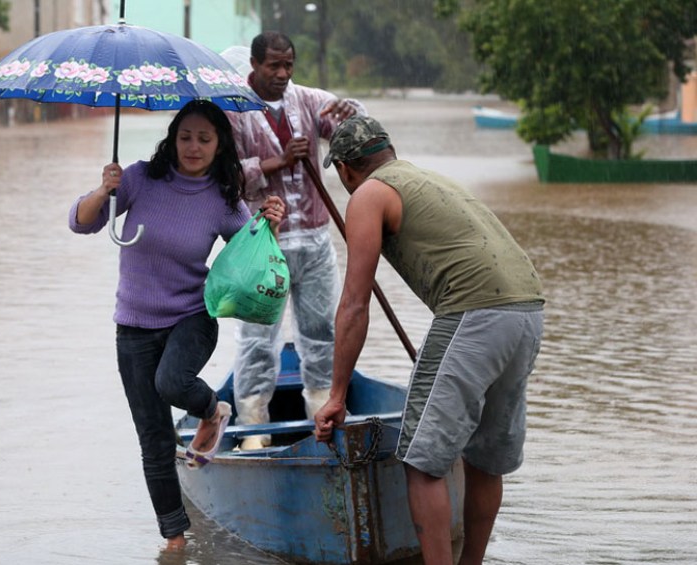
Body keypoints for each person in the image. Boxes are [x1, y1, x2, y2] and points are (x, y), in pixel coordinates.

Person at [313, 115, 545, 565]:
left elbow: (355, 304)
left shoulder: (368, 194)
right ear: (389, 152)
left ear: (344, 169)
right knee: (485, 460)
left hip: (474, 313)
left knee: (422, 461)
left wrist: (337, 395)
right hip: (527, 312)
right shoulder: (427, 180)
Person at [68, 100, 286, 551]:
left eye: (204, 139)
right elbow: (80, 223)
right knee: (153, 439)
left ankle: (212, 410)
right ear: (172, 138)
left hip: (192, 318)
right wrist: (104, 190)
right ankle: (175, 542)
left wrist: (271, 228)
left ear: (219, 145)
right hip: (133, 328)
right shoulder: (138, 178)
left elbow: (254, 262)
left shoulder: (223, 198)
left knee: (171, 382)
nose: (193, 147)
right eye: (185, 137)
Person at [224, 32, 366, 450]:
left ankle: (323, 415)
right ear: (255, 65)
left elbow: (357, 130)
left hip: (315, 241)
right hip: (264, 243)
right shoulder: (232, 111)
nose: (283, 73)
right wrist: (278, 161)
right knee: (258, 338)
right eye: (274, 65)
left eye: (288, 65)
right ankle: (253, 429)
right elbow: (226, 177)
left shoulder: (308, 100)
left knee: (322, 332)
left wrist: (351, 117)